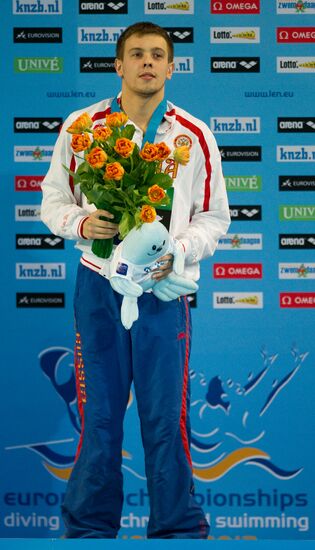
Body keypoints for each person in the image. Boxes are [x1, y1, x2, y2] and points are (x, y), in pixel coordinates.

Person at [41, 21, 230, 539]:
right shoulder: (83, 128)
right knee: (99, 420)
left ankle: (178, 530)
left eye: (157, 55)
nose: (147, 62)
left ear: (171, 68)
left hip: (164, 296)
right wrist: (81, 223)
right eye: (136, 54)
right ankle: (89, 530)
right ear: (118, 65)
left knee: (166, 421)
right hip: (98, 289)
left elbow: (215, 217)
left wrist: (180, 251)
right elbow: (52, 200)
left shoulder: (194, 136)